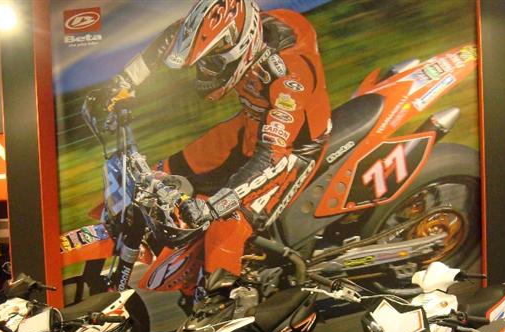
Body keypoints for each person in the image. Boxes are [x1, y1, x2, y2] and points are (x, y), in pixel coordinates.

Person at [86, 0, 331, 301]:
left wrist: (214, 206)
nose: (203, 72)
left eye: (212, 63)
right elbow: (172, 37)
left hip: (292, 149)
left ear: (241, 48)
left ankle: (221, 300)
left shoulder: (290, 78)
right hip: (250, 124)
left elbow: (272, 157)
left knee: (225, 220)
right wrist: (121, 84)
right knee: (159, 176)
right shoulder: (243, 32)